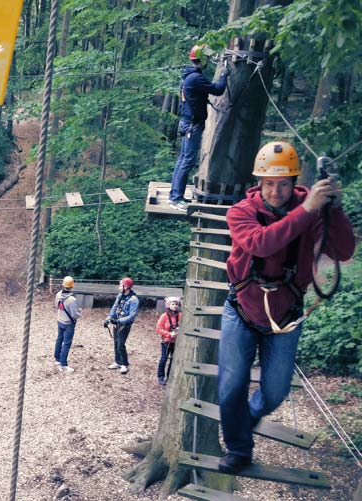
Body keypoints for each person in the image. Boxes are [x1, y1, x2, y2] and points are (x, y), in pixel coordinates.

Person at [217, 141, 355, 473]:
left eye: (283, 184)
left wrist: (331, 209)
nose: (276, 191)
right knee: (230, 386)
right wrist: (307, 209)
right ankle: (238, 448)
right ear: (259, 183)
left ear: (293, 182)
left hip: (286, 316)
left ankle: (249, 416)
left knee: (275, 392)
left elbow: (343, 251)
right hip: (243, 310)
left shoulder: (312, 208)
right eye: (269, 184)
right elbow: (260, 244)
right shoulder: (241, 212)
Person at [168, 45, 229, 211]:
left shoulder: (190, 77)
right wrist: (224, 74)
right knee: (187, 161)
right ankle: (176, 198)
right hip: (192, 126)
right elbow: (218, 89)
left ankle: (174, 196)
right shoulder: (195, 78)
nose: (208, 61)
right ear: (202, 59)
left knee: (183, 159)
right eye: (207, 59)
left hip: (188, 123)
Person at [105, 277, 139, 374]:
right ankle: (118, 362)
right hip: (116, 323)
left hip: (124, 325)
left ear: (127, 287)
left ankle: (124, 364)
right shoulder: (120, 296)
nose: (119, 287)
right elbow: (114, 308)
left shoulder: (134, 300)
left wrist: (119, 321)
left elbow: (132, 315)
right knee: (116, 343)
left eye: (121, 285)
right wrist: (108, 319)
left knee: (121, 344)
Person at [54, 276, 82, 373]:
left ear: (63, 285)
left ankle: (57, 359)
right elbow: (74, 314)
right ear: (72, 286)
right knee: (66, 343)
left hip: (60, 320)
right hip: (68, 324)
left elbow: (56, 306)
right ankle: (63, 364)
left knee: (59, 339)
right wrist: (80, 313)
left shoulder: (58, 295)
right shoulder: (72, 299)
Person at [156, 296, 181, 386]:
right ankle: (160, 376)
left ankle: (170, 376)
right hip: (166, 341)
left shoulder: (180, 316)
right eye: (173, 304)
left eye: (176, 304)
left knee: (173, 360)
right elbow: (158, 329)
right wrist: (169, 334)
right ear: (168, 305)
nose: (174, 306)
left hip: (176, 342)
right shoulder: (164, 316)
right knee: (164, 358)